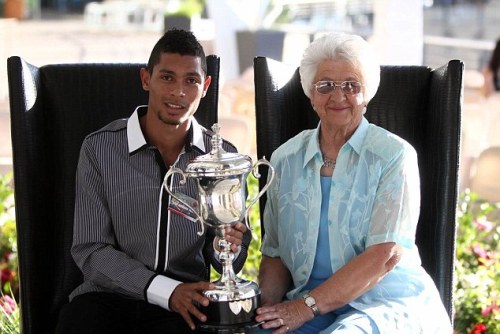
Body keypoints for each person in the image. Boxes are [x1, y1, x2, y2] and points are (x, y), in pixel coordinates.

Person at [254, 32, 453, 333]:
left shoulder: (393, 156)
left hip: (382, 302)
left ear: (367, 93)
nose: (338, 96)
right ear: (310, 91)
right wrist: (263, 311)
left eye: (351, 85)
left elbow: (383, 257)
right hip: (308, 305)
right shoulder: (285, 159)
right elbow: (276, 254)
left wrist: (303, 308)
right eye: (325, 85)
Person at [55, 29, 251, 334]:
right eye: (167, 78)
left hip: (186, 308)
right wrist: (165, 291)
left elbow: (226, 261)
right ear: (146, 79)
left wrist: (230, 245)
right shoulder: (100, 148)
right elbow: (91, 249)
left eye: (191, 80)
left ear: (206, 86)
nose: (179, 92)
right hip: (107, 299)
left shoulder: (223, 157)